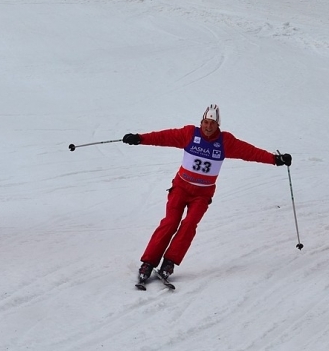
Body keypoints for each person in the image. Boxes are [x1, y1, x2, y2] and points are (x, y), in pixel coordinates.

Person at [122, 104, 292, 284]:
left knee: (189, 224)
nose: (208, 126)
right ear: (201, 122)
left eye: (212, 123)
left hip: (202, 195)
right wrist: (139, 138)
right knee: (170, 222)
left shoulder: (225, 142)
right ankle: (148, 263)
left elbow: (249, 152)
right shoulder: (189, 134)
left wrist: (275, 159)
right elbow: (164, 137)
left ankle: (169, 263)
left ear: (218, 125)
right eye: (205, 122)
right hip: (180, 188)